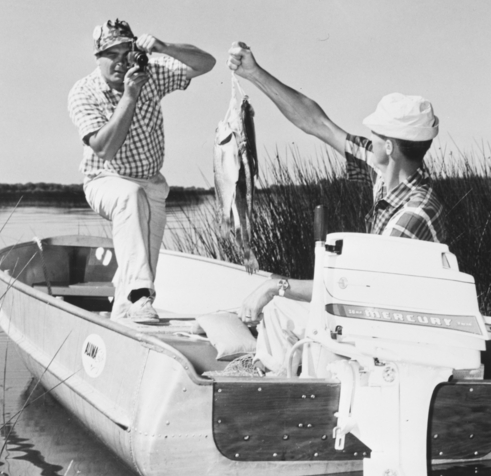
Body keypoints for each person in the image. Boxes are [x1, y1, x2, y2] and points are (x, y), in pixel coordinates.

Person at [225, 41, 448, 373]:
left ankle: (290, 387)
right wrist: (254, 73)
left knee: (285, 312)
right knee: (279, 312)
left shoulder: (413, 213)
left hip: (392, 335)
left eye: (375, 135)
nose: (368, 139)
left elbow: (358, 290)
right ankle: (276, 376)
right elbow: (318, 123)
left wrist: (277, 285)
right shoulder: (386, 171)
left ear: (389, 146)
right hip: (372, 314)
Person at [68, 19, 215, 323]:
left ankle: (124, 320)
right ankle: (141, 296)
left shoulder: (151, 72)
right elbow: (104, 148)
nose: (120, 62)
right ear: (98, 58)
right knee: (129, 197)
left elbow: (206, 64)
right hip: (105, 179)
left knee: (141, 262)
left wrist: (164, 47)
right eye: (111, 55)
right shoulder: (83, 92)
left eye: (127, 53)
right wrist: (130, 95)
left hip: (152, 184)